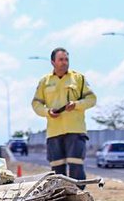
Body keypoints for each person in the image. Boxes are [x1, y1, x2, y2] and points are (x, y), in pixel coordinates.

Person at [31, 47, 96, 182]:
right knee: (57, 171)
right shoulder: (45, 81)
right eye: (61, 59)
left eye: (66, 59)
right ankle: (60, 199)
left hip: (75, 131)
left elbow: (92, 99)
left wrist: (76, 105)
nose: (64, 62)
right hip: (54, 132)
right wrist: (47, 112)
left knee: (76, 167)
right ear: (53, 62)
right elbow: (36, 104)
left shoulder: (79, 78)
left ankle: (77, 197)